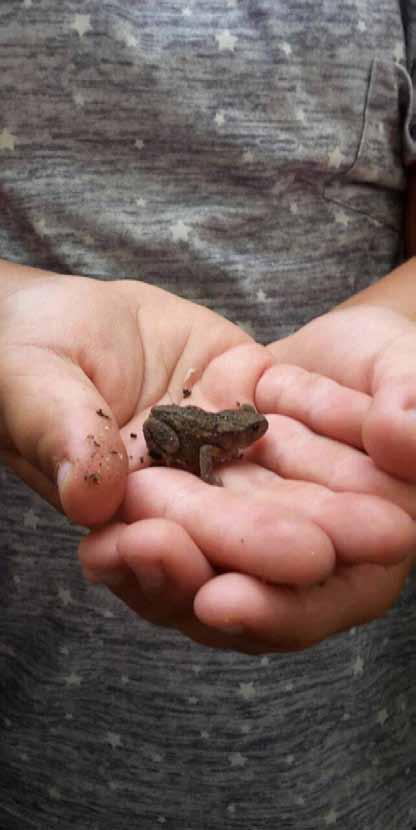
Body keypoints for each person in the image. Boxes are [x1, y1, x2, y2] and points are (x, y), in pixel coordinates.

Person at [0, 2, 415, 827]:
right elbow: (195, 437)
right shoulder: (218, 438)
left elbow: (227, 430)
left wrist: (401, 323)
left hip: (349, 749)